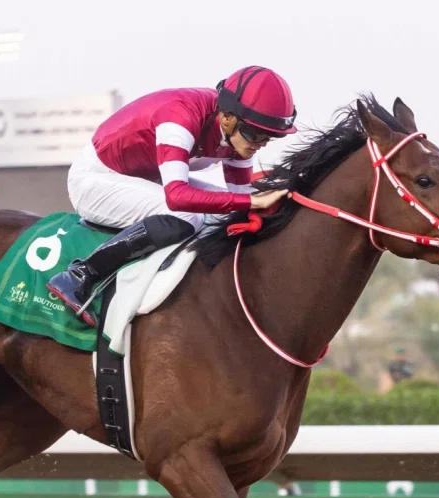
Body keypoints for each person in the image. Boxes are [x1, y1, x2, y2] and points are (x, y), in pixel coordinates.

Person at [47, 66, 298, 326]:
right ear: (227, 118)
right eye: (256, 133)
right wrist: (253, 200)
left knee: (224, 215)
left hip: (144, 178)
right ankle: (80, 274)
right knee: (188, 215)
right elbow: (177, 197)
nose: (261, 142)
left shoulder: (239, 137)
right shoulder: (180, 115)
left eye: (270, 137)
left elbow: (240, 198)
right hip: (96, 179)